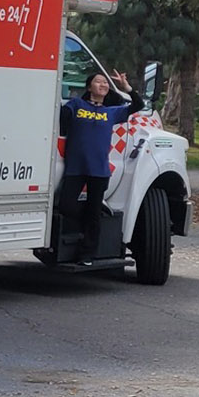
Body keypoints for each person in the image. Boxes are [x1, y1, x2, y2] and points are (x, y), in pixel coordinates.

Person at [56, 70, 142, 265]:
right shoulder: (76, 105)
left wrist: (126, 87)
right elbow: (61, 117)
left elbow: (138, 106)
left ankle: (87, 254)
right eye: (98, 82)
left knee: (93, 213)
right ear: (89, 87)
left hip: (99, 170)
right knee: (66, 206)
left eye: (105, 83)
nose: (103, 85)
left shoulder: (111, 112)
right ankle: (91, 216)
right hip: (76, 167)